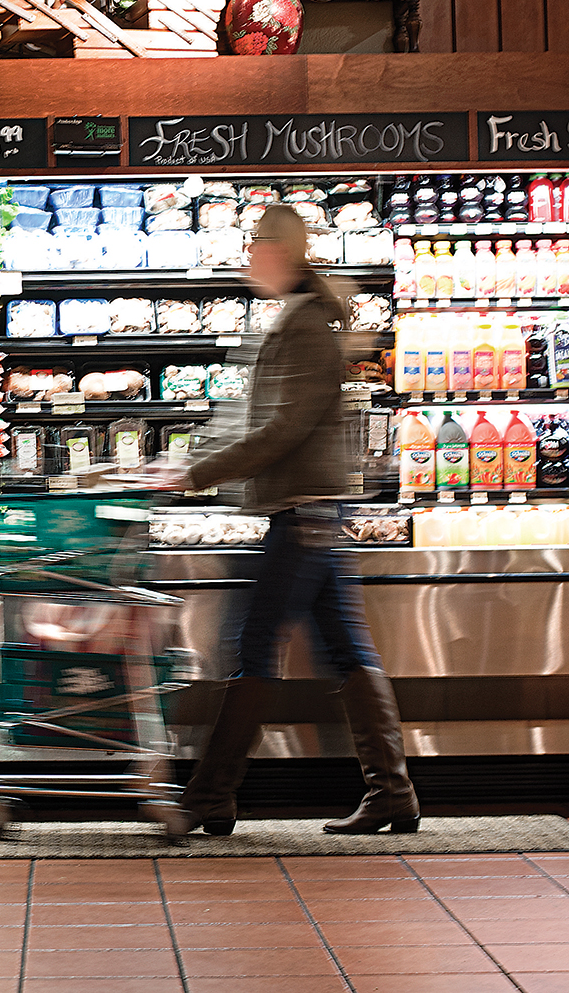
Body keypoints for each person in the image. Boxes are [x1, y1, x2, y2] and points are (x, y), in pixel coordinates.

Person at [160, 203, 420, 837]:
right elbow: (262, 421)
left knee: (252, 646)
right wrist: (194, 461)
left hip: (303, 514)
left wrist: (195, 475)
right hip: (313, 512)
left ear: (279, 249)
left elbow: (283, 428)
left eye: (254, 244)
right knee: (346, 650)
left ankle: (210, 796)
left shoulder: (303, 327)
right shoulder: (297, 320)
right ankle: (392, 793)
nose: (248, 256)